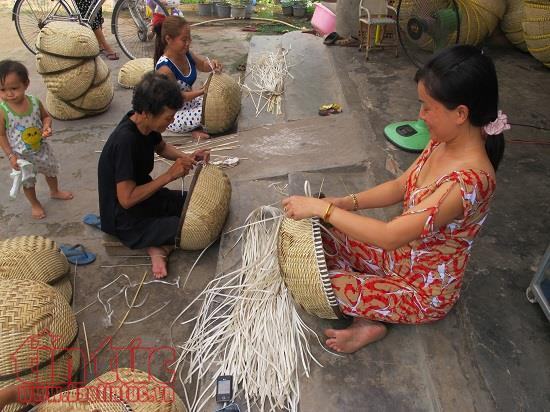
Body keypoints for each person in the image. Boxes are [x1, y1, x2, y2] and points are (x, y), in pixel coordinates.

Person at [282, 45, 507, 353]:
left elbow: (389, 236)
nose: (420, 115)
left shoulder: (468, 183)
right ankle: (373, 312)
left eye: (427, 107)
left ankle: (371, 322)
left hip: (421, 290)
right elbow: (402, 185)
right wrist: (345, 203)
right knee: (322, 237)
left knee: (326, 284)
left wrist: (325, 207)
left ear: (461, 114)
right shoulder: (446, 140)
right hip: (396, 258)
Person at [98, 72, 209, 279]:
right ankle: (157, 247)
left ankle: (158, 244)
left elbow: (161, 147)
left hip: (148, 199)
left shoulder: (144, 124)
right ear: (148, 113)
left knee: (196, 205)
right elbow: (126, 199)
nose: (172, 121)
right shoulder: (125, 142)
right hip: (126, 220)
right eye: (168, 117)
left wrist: (188, 157)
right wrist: (168, 175)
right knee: (196, 227)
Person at [0, 60, 73, 220]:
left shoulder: (34, 102)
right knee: (28, 182)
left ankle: (54, 191)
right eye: (2, 90)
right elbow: (2, 135)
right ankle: (34, 204)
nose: (9, 94)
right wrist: (11, 156)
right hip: (21, 156)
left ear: (25, 84)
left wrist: (47, 127)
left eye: (14, 88)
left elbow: (46, 117)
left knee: (51, 171)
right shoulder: (3, 111)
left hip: (42, 149)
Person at [154, 16, 223, 140]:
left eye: (189, 39)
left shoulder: (186, 53)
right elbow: (178, 97)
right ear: (168, 39)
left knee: (220, 100)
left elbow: (202, 65)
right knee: (210, 111)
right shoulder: (165, 68)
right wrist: (202, 91)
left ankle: (196, 128)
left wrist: (213, 64)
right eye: (184, 40)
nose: (188, 43)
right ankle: (192, 131)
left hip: (189, 104)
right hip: (173, 115)